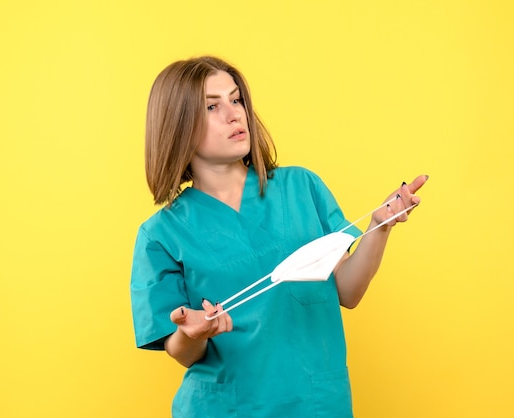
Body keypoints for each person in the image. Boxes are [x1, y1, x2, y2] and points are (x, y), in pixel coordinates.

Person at [130, 55, 428, 417]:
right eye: (212, 106)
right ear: (177, 126)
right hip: (227, 408)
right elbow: (182, 351)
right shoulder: (160, 235)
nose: (234, 114)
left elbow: (348, 292)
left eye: (236, 99)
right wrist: (193, 333)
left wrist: (381, 225)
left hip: (316, 404)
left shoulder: (301, 187)